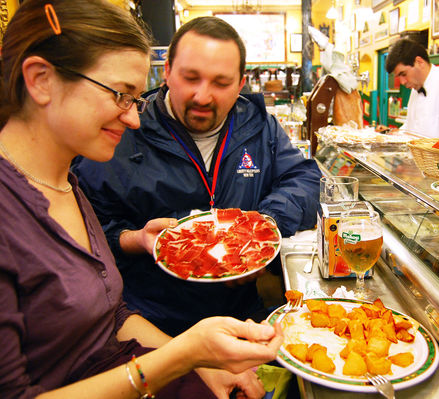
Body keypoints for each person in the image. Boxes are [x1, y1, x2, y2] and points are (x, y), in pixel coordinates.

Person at [0, 2, 283, 399]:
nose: (134, 118)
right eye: (121, 95)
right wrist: (182, 357)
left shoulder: (65, 184)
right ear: (41, 79)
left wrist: (198, 363)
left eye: (136, 99)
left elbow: (109, 315)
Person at [72, 16, 322, 336]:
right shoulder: (121, 131)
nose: (203, 97)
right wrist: (135, 240)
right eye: (191, 78)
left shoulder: (259, 125)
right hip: (153, 323)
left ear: (241, 83)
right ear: (167, 73)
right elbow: (83, 235)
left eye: (221, 83)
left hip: (241, 317)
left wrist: (261, 225)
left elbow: (305, 179)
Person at [385, 38, 439, 138]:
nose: (402, 82)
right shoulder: (416, 88)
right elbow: (410, 128)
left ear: (419, 62)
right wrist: (393, 135)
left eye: (403, 74)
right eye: (398, 77)